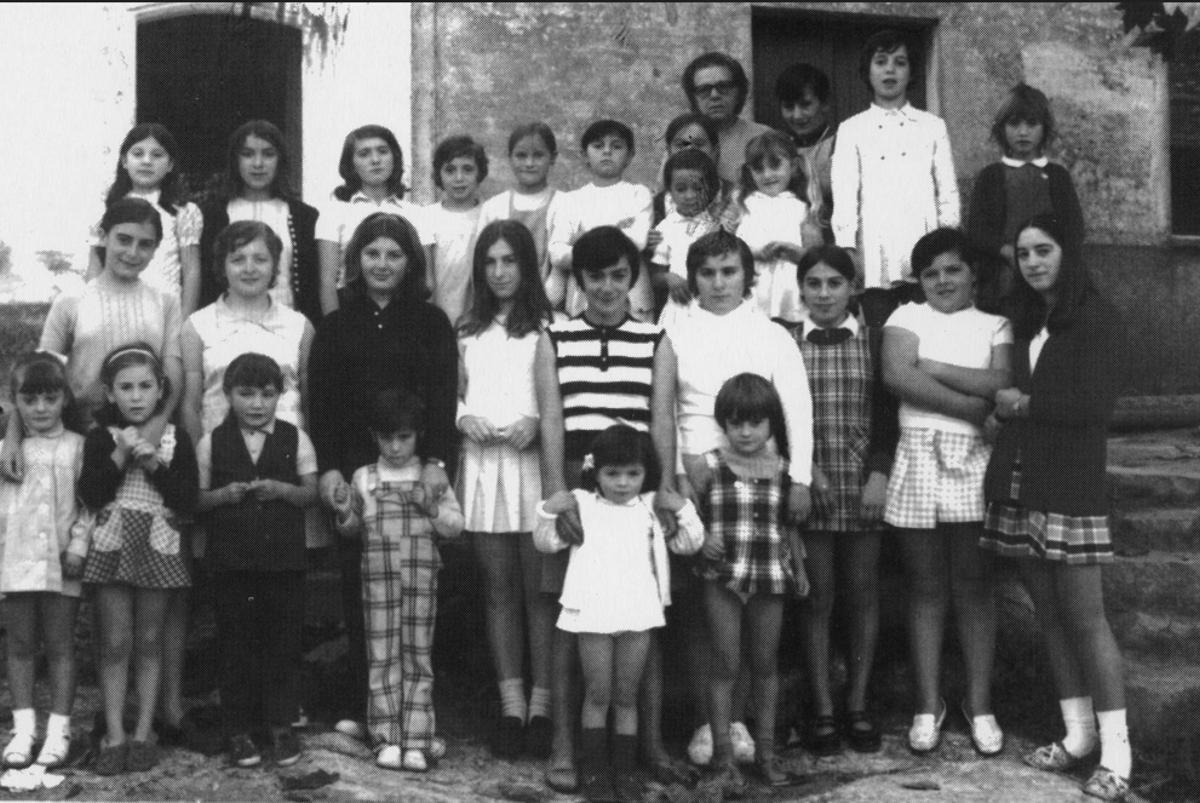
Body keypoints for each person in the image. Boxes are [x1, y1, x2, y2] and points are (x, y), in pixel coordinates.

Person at [981, 214, 1131, 802]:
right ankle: (1077, 736)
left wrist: (1018, 406)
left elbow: (1091, 406)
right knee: (1048, 615)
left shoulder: (1098, 319)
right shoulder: (1021, 320)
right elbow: (1005, 395)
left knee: (1085, 618)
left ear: (1068, 252)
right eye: (1023, 254)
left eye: (1044, 250)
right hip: (1021, 480)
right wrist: (1008, 408)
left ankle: (1118, 755)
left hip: (1070, 482)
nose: (1034, 262)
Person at [661, 229, 813, 770]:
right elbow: (669, 408)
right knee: (705, 606)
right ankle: (709, 721)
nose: (719, 283)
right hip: (694, 477)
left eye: (729, 272)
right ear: (693, 278)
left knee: (754, 602)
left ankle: (744, 722)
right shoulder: (676, 329)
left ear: (748, 276)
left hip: (756, 479)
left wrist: (799, 477)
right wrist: (679, 476)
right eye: (707, 273)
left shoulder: (771, 334)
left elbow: (795, 406)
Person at [534, 225, 678, 793]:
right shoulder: (555, 336)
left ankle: (651, 745)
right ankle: (567, 746)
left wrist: (663, 490)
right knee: (574, 623)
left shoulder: (655, 338)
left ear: (633, 276)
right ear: (579, 279)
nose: (608, 288)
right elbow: (551, 418)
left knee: (643, 618)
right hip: (578, 487)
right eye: (596, 276)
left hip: (636, 491)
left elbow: (660, 418)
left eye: (619, 275)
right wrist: (555, 493)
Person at [309, 212, 458, 742]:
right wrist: (329, 468)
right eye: (372, 253)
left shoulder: (430, 322)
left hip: (415, 471)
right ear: (355, 262)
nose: (382, 264)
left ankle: (417, 711)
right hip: (358, 472)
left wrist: (438, 461)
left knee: (416, 594)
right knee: (361, 588)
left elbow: (443, 397)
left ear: (411, 262)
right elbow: (320, 404)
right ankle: (365, 704)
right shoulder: (335, 326)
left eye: (394, 254)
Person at [880, 228, 1012, 756]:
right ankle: (926, 704)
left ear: (973, 273)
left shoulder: (995, 323)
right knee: (926, 587)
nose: (941, 281)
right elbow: (896, 377)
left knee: (975, 587)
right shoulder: (906, 317)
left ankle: (980, 705)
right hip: (917, 457)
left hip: (975, 464)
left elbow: (1001, 379)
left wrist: (930, 366)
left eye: (952, 269)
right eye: (930, 272)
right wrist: (975, 409)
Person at [533, 425, 703, 802]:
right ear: (596, 471)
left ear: (646, 473)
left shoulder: (649, 507)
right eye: (612, 474)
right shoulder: (582, 503)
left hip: (637, 611)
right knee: (599, 691)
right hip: (593, 611)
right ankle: (595, 773)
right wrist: (548, 511)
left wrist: (683, 509)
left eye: (632, 474)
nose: (623, 483)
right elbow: (546, 542)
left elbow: (691, 544)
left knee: (626, 694)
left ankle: (624, 773)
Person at [456, 220, 556, 759]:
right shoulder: (466, 329)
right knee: (498, 590)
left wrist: (536, 421)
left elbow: (557, 394)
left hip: (531, 465)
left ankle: (543, 705)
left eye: (509, 261)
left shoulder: (548, 325)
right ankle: (510, 706)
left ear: (527, 265)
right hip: (482, 465)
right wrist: (463, 416)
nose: (499, 272)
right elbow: (451, 390)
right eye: (490, 262)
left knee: (539, 588)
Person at [791, 245, 897, 755]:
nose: (825, 293)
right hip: (810, 486)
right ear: (801, 290)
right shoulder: (787, 340)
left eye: (835, 283)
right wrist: (801, 473)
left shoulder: (873, 342)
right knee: (817, 596)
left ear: (853, 288)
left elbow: (887, 413)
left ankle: (857, 701)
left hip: (861, 485)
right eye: (814, 284)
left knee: (862, 593)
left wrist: (879, 474)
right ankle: (822, 706)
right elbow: (778, 413)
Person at [331, 388, 464, 772]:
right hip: (378, 582)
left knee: (418, 656)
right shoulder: (364, 477)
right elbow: (354, 529)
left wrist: (433, 508)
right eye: (386, 438)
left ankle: (417, 740)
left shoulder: (431, 475)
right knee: (382, 655)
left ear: (418, 435)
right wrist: (344, 512)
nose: (394, 447)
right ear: (374, 436)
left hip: (421, 580)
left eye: (403, 437)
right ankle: (387, 737)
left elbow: (455, 526)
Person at [79, 344, 198, 775]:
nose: (135, 396)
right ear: (110, 393)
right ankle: (114, 733)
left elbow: (188, 499)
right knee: (115, 642)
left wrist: (154, 467)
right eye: (125, 388)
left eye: (145, 387)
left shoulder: (174, 439)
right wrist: (120, 455)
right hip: (113, 546)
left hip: (157, 546)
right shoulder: (100, 438)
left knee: (149, 641)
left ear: (160, 390)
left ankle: (145, 730)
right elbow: (91, 493)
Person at [194, 352, 315, 767]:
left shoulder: (295, 438)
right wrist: (223, 497)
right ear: (228, 395)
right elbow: (195, 498)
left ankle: (280, 726)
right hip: (232, 563)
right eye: (246, 394)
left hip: (283, 562)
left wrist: (282, 490)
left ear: (281, 395)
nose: (257, 404)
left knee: (282, 643)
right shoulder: (212, 441)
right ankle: (239, 730)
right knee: (236, 645)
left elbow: (310, 493)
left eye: (267, 394)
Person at [694, 373, 809, 793]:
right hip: (721, 576)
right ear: (723, 423)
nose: (745, 432)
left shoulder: (784, 471)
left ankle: (765, 751)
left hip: (767, 575)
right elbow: (690, 520)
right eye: (736, 422)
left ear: (771, 424)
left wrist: (797, 568)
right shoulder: (708, 467)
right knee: (725, 660)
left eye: (755, 423)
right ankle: (724, 755)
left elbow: (792, 525)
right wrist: (702, 539)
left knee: (765, 662)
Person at [831, 30, 960, 327]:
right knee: (881, 332)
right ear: (868, 71)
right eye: (881, 62)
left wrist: (948, 246)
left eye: (900, 62)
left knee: (930, 332)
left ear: (912, 71)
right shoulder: (852, 129)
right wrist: (848, 248)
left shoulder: (932, 126)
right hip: (875, 252)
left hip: (925, 248)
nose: (890, 69)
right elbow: (845, 191)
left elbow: (948, 192)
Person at [0, 353, 91, 769]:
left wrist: (78, 545)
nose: (39, 409)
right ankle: (23, 730)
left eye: (49, 399)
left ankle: (59, 730)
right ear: (14, 401)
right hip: (15, 563)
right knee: (19, 646)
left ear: (64, 401)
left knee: (59, 646)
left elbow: (90, 505)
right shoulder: (7, 453)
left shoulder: (77, 447)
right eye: (29, 399)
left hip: (61, 564)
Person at [966, 84, 1084, 308]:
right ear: (1001, 128)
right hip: (1003, 278)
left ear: (1044, 128)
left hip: (1049, 275)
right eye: (1014, 124)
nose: (1022, 132)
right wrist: (1008, 252)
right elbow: (977, 231)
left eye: (1031, 124)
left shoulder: (1057, 176)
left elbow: (1074, 229)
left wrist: (1048, 257)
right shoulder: (991, 176)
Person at [197, 120, 322, 325]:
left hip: (287, 328)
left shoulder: (304, 217)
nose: (258, 164)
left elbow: (312, 286)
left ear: (280, 159)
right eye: (247, 154)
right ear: (235, 160)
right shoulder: (212, 215)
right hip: (223, 329)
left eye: (268, 154)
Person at [87, 123, 203, 317]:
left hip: (162, 312)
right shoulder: (107, 205)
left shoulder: (182, 210)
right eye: (138, 154)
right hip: (113, 310)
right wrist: (91, 313)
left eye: (157, 155)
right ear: (124, 161)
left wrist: (184, 322)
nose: (147, 161)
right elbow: (95, 264)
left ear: (170, 165)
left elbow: (191, 271)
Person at [316, 124, 434, 314]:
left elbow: (427, 281)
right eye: (364, 154)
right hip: (351, 312)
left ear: (394, 157)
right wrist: (336, 331)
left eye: (382, 151)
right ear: (351, 164)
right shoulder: (335, 212)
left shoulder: (417, 214)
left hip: (405, 312)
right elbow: (327, 282)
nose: (375, 160)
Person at [546, 120, 654, 320]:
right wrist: (616, 233)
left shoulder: (638, 194)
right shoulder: (571, 200)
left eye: (616, 146)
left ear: (630, 156)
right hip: (584, 294)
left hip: (631, 293)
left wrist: (583, 241)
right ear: (584, 155)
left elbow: (637, 240)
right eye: (598, 146)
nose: (607, 152)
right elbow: (557, 252)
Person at [734, 130, 822, 323]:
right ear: (750, 172)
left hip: (790, 292)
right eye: (759, 169)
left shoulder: (802, 208)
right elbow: (732, 248)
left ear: (793, 166)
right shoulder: (745, 205)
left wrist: (792, 250)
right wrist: (756, 253)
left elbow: (815, 257)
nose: (767, 175)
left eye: (775, 166)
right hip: (755, 288)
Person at [474, 122, 567, 291]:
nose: (529, 163)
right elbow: (481, 260)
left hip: (548, 302)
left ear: (552, 158)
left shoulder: (564, 204)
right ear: (510, 158)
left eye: (538, 155)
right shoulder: (494, 207)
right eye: (521, 156)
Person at [649, 148, 721, 324]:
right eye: (681, 189)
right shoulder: (666, 228)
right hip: (679, 310)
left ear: (711, 189)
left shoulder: (718, 226)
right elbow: (656, 275)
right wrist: (670, 278)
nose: (690, 196)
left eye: (698, 188)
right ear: (670, 192)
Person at [681, 52, 773, 184]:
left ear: (739, 92)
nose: (714, 95)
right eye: (704, 90)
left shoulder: (764, 137)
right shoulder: (683, 140)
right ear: (693, 98)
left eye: (723, 87)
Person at [426, 135, 487, 326]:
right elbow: (425, 277)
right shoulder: (427, 216)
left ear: (480, 173)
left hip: (479, 316)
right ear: (439, 175)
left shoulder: (490, 215)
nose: (459, 178)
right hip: (437, 315)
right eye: (450, 170)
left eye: (467, 169)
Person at [775, 63, 838, 242]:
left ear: (825, 103)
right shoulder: (778, 150)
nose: (797, 115)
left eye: (805, 105)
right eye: (788, 107)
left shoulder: (842, 146)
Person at [651, 113, 739, 232]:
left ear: (715, 151)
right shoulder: (656, 207)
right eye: (681, 145)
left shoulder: (737, 198)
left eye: (698, 144)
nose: (689, 150)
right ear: (668, 152)